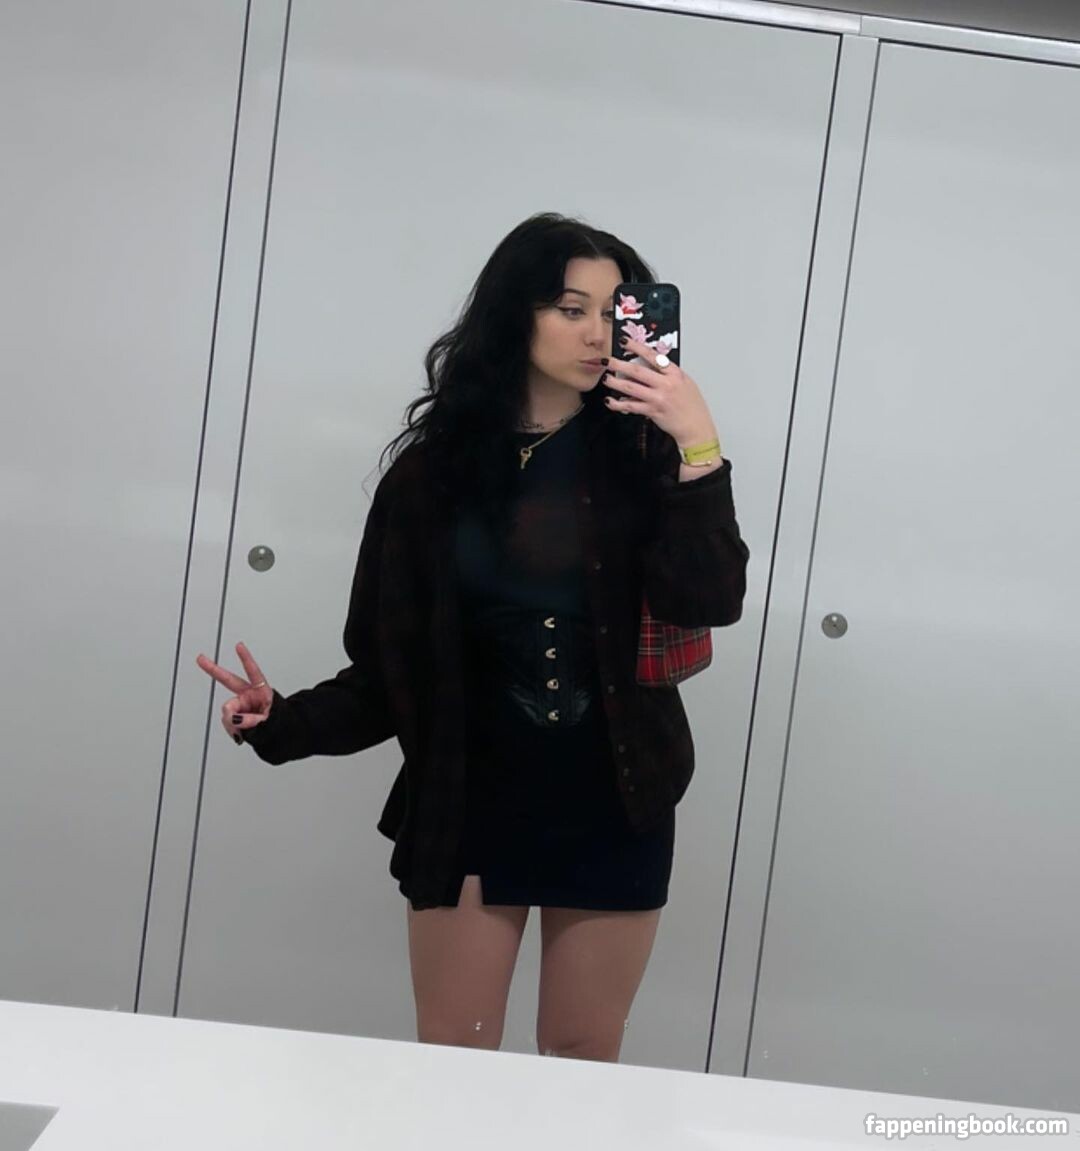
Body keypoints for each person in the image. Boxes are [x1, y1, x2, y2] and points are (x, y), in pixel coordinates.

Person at [196, 211, 750, 1062]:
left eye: (613, 313)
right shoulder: (431, 476)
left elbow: (710, 597)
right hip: (470, 800)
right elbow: (387, 669)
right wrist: (283, 719)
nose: (596, 334)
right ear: (514, 313)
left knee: (582, 1057)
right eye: (570, 308)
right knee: (452, 1056)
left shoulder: (647, 460)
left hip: (616, 798)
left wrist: (696, 442)